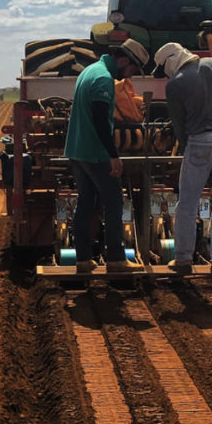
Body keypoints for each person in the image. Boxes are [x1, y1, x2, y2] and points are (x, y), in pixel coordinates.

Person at [153, 42, 212, 274]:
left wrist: (186, 147)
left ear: (171, 61)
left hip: (199, 140)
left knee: (188, 202)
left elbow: (179, 125)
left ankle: (183, 260)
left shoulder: (175, 85)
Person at [64, 39, 150, 273]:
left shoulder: (90, 71)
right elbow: (101, 122)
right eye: (131, 70)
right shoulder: (103, 79)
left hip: (77, 149)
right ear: (123, 60)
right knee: (114, 202)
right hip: (95, 152)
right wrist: (114, 155)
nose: (129, 76)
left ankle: (83, 259)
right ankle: (115, 258)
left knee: (85, 202)